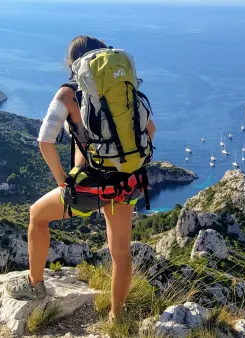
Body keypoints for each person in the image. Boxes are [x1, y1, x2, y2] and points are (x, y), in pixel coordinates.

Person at [5, 36, 156, 322]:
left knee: (36, 215)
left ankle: (35, 286)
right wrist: (124, 161)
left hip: (90, 187)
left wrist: (62, 180)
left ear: (72, 63)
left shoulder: (67, 93)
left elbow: (45, 141)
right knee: (121, 252)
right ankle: (116, 317)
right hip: (128, 182)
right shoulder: (122, 89)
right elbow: (151, 128)